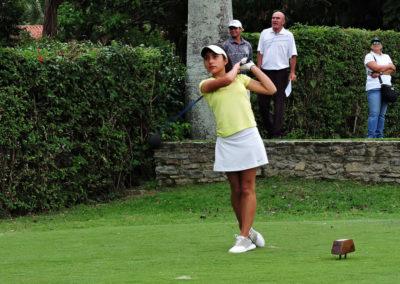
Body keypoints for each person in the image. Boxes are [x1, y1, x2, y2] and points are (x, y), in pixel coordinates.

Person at [199, 44, 276, 253]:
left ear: (225, 60)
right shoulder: (206, 84)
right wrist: (238, 67)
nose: (210, 61)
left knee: (246, 188)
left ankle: (243, 237)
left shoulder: (241, 79)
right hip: (226, 141)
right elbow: (226, 80)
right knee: (235, 190)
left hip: (248, 136)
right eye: (207, 58)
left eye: (215, 57)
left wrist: (251, 67)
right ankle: (247, 232)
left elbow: (271, 89)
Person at [257, 11, 297, 139]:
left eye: (278, 18)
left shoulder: (289, 35)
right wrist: (258, 71)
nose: (275, 20)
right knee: (262, 104)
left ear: (283, 21)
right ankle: (270, 129)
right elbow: (260, 53)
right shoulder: (264, 33)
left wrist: (292, 72)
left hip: (281, 72)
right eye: (273, 18)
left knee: (279, 103)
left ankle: (276, 133)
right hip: (265, 72)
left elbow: (293, 55)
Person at [364, 37, 396, 138]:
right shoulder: (369, 56)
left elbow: (393, 68)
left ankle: (379, 136)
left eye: (378, 43)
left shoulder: (386, 56)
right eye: (374, 43)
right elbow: (375, 67)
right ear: (371, 46)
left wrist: (380, 72)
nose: (376, 44)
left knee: (382, 114)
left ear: (381, 45)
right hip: (374, 88)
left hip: (386, 87)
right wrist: (386, 68)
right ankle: (371, 136)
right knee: (374, 113)